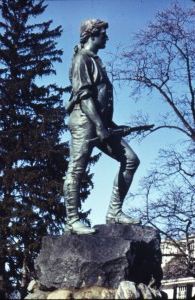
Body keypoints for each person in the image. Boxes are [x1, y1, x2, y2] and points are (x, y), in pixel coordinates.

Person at [63, 19, 140, 234]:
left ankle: (114, 213)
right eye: (104, 33)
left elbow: (100, 101)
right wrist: (100, 126)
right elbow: (85, 97)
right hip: (84, 123)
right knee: (76, 168)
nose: (107, 37)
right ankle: (72, 220)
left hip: (99, 124)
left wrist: (112, 125)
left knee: (130, 160)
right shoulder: (81, 59)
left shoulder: (95, 60)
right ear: (92, 34)